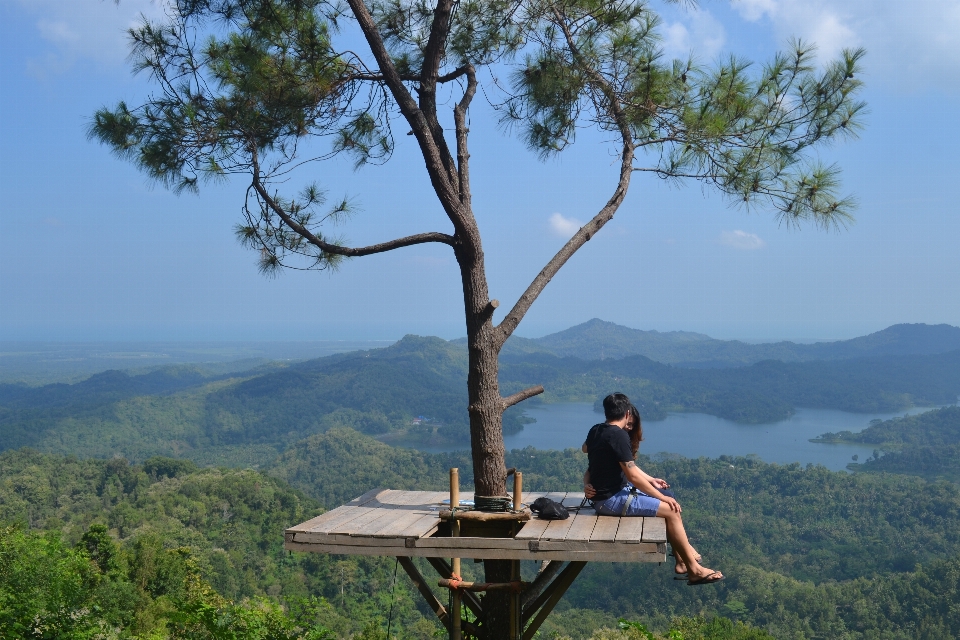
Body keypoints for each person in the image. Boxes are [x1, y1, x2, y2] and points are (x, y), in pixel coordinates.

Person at [581, 393, 723, 586]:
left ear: (606, 412)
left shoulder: (596, 430)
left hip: (605, 498)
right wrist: (660, 498)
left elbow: (586, 450)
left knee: (668, 497)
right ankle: (694, 570)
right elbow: (632, 476)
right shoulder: (618, 435)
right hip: (611, 501)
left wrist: (652, 481)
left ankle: (681, 561)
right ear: (627, 413)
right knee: (671, 510)